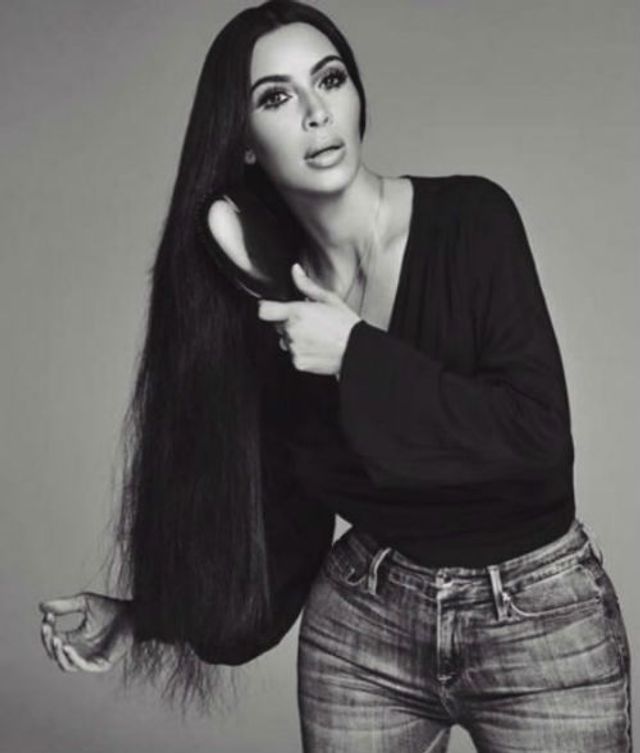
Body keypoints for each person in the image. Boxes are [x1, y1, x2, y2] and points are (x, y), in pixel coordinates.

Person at [39, 1, 632, 750]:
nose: (317, 112)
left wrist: (355, 352)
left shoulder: (474, 218)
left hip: (539, 618)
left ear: (355, 95)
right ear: (243, 139)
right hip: (365, 622)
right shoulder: (263, 310)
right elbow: (283, 524)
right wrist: (147, 616)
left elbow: (536, 439)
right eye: (277, 97)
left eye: (330, 79)